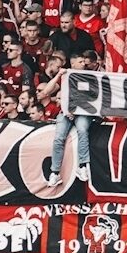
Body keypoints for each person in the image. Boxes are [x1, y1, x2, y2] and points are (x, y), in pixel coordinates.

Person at [38, 50, 95, 186]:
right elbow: (46, 92)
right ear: (73, 63)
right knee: (59, 137)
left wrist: (74, 109)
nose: (84, 64)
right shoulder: (66, 76)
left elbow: (91, 98)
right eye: (80, 62)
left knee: (82, 130)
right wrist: (58, 75)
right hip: (66, 112)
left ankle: (82, 166)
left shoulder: (88, 76)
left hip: (82, 112)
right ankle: (55, 172)